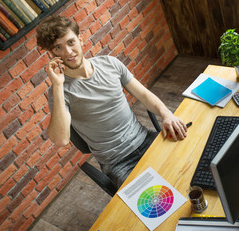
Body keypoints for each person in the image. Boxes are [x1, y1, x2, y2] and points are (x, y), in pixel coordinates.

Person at [36, 16, 188, 188]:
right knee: (157, 206)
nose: (68, 52)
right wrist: (57, 85)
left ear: (80, 39)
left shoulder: (110, 63)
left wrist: (166, 114)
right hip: (119, 164)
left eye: (71, 42)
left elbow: (144, 95)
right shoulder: (60, 92)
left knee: (191, 166)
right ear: (52, 54)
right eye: (58, 48)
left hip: (145, 139)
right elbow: (61, 139)